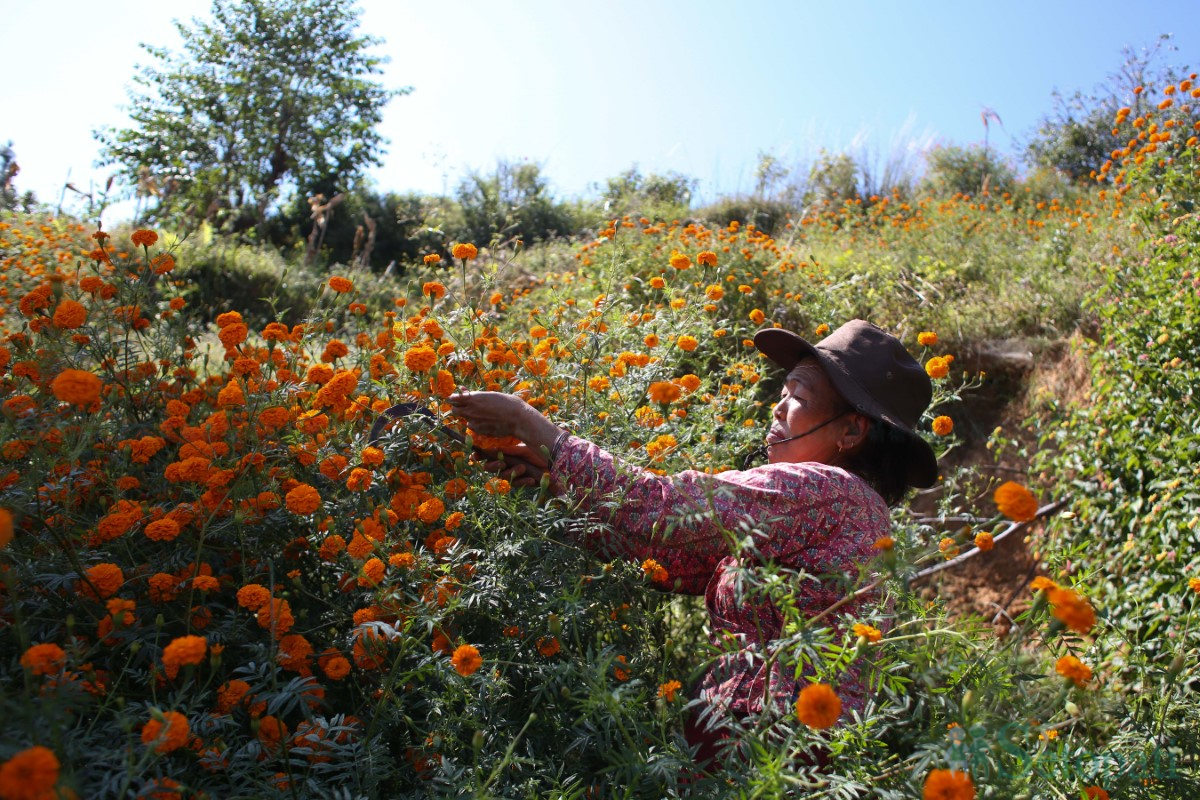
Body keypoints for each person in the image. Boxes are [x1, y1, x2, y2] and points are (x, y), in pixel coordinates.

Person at [447, 319, 938, 767]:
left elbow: (658, 506)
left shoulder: (825, 490)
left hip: (764, 740)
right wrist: (556, 486)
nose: (778, 407)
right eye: (782, 391)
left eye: (799, 397)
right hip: (789, 747)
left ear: (852, 430)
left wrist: (530, 424)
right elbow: (666, 556)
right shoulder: (853, 511)